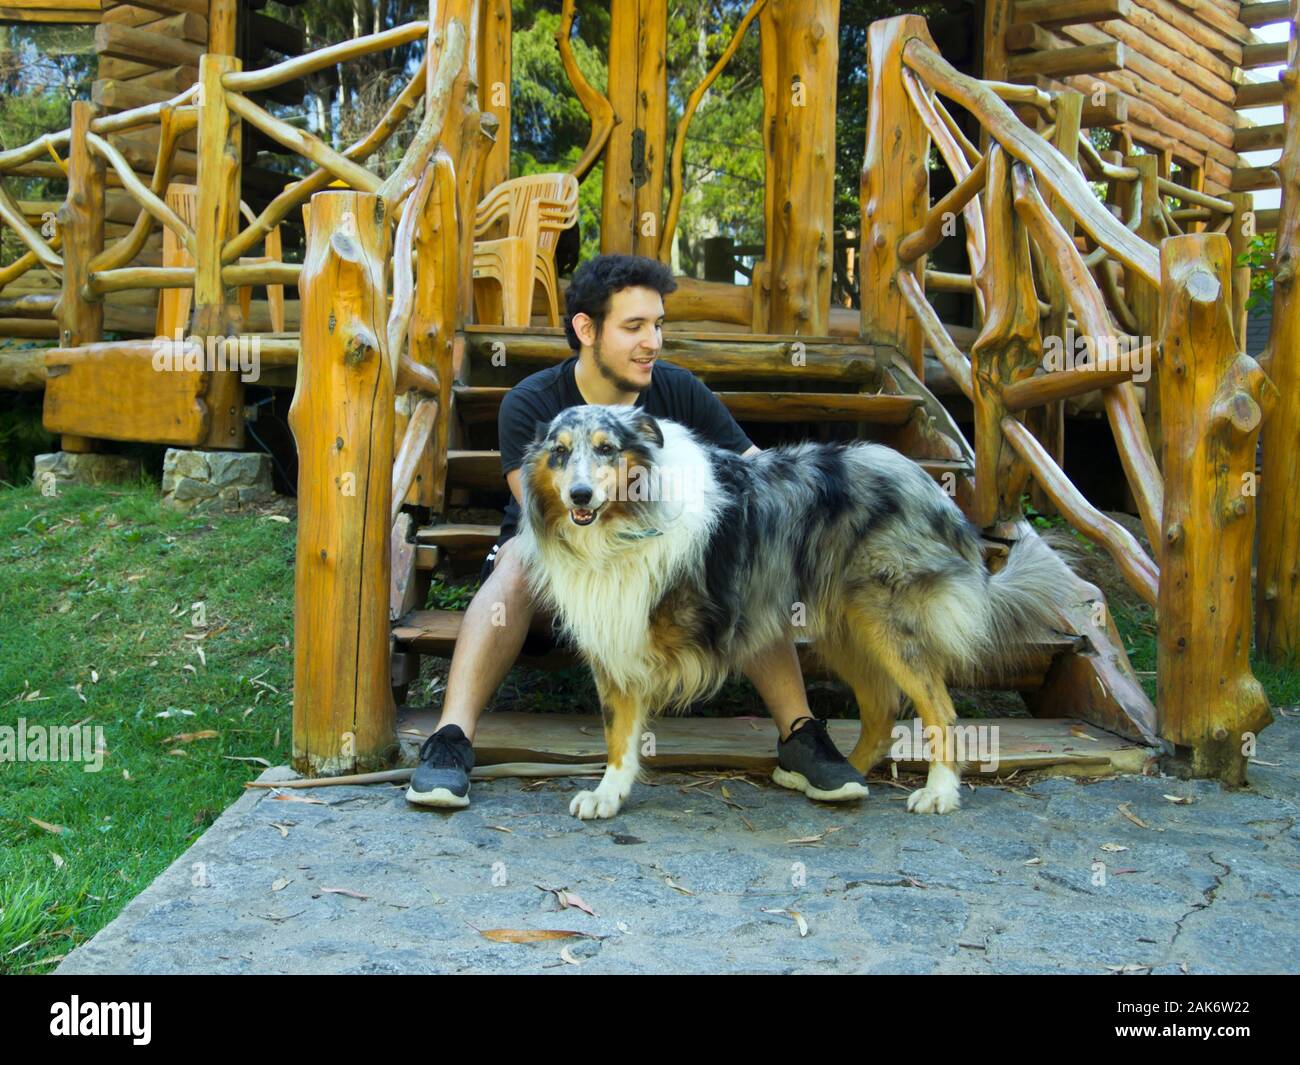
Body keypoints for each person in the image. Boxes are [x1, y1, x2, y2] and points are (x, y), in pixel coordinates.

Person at [407, 254, 868, 808]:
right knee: (517, 563)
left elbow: (759, 476)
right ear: (586, 329)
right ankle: (451, 738)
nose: (652, 342)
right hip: (564, 574)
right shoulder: (532, 401)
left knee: (748, 555)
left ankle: (799, 733)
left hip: (663, 574)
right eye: (634, 327)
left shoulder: (677, 389)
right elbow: (548, 514)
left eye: (658, 325)